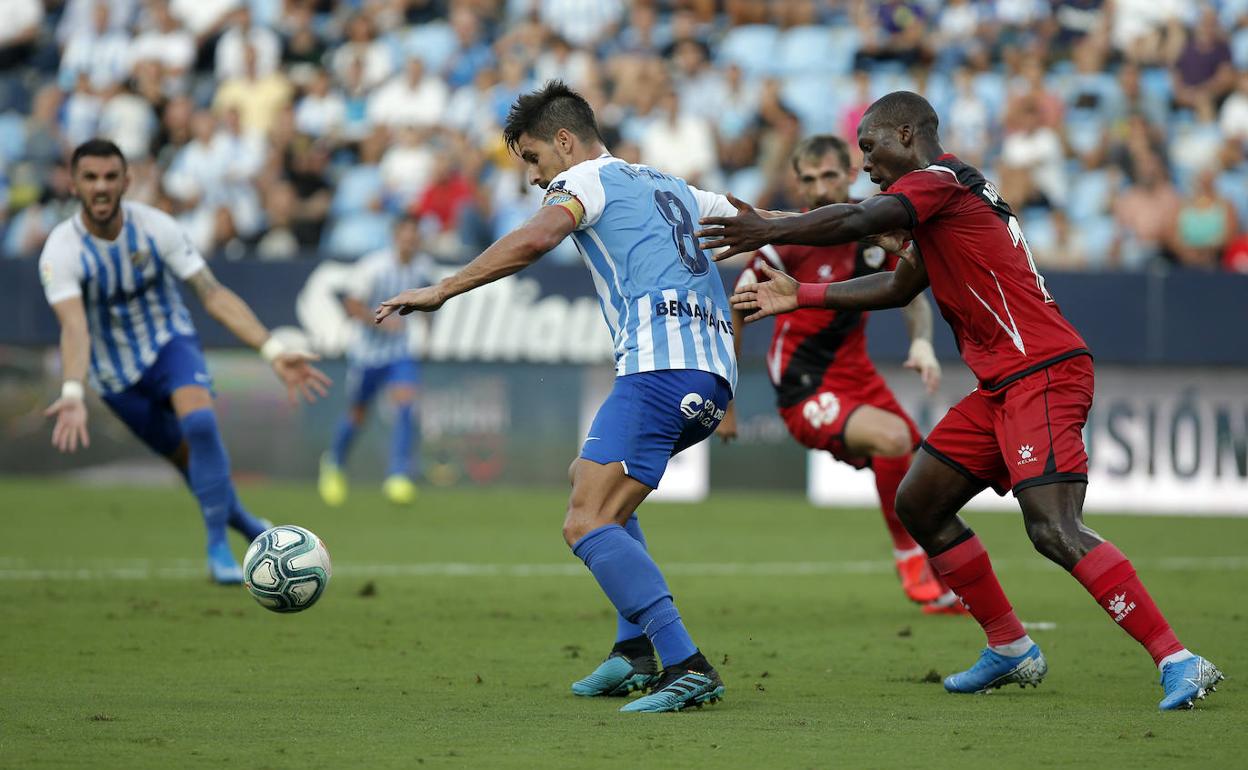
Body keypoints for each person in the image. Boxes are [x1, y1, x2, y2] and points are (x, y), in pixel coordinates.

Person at [700, 92, 1222, 711]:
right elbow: (899, 286)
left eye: (869, 148)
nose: (865, 163)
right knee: (920, 503)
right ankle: (1010, 647)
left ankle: (1178, 658)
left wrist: (770, 226)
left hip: (1043, 372)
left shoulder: (941, 180)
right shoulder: (940, 203)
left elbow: (856, 221)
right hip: (1001, 384)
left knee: (1053, 528)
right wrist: (804, 296)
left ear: (905, 132)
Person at [376, 81, 736, 713]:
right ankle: (634, 654)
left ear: (565, 143)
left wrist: (444, 287)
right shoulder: (678, 188)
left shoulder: (589, 181)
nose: (538, 180)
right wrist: (871, 229)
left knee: (585, 520)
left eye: (536, 162)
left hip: (661, 371)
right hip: (709, 372)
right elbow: (768, 222)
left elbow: (536, 238)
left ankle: (686, 662)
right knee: (591, 482)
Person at [39, 139, 331, 584]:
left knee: (200, 426)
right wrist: (74, 391)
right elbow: (74, 327)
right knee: (189, 461)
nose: (101, 187)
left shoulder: (157, 227)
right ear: (74, 183)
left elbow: (211, 293)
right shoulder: (60, 251)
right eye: (90, 177)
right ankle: (252, 528)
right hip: (115, 378)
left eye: (110, 177)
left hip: (168, 343)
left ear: (126, 181)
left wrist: (271, 350)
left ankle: (218, 549)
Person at [715, 133, 962, 614]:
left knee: (925, 473)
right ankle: (910, 561)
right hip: (803, 388)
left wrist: (921, 342)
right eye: (808, 180)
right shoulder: (782, 244)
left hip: (859, 380)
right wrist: (726, 401)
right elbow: (735, 311)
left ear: (850, 174)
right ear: (797, 184)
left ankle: (947, 583)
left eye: (829, 176)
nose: (820, 189)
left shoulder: (872, 230)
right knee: (893, 440)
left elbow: (909, 287)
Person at [320, 216, 433, 506]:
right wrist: (378, 323)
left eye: (414, 236)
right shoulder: (373, 267)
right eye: (405, 235)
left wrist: (428, 334)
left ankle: (398, 474)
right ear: (395, 236)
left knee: (406, 405)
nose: (410, 241)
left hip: (400, 352)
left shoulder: (423, 267)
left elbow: (431, 297)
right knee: (358, 413)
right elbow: (351, 304)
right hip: (367, 353)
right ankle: (334, 463)